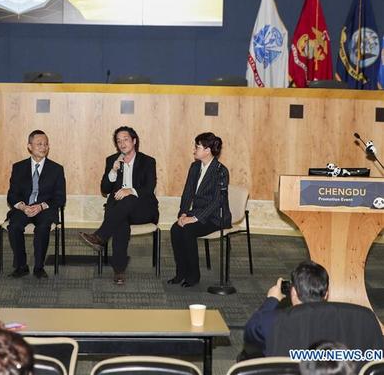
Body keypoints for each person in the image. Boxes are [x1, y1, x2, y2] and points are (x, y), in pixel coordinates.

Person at [79, 126, 159, 285]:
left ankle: (101, 236)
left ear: (134, 141)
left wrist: (130, 190)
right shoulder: (112, 160)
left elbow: (149, 188)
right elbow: (104, 189)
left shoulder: (148, 161)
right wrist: (113, 171)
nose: (122, 144)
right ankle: (119, 271)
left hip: (143, 210)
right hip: (119, 213)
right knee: (120, 223)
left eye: (126, 139)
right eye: (119, 141)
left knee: (127, 199)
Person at [168, 132, 230, 287]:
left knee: (188, 230)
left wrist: (193, 218)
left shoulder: (220, 171)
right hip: (197, 212)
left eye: (197, 147)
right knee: (175, 229)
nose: (194, 150)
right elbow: (187, 192)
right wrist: (183, 213)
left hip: (215, 217)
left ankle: (193, 276)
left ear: (207, 150)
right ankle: (180, 272)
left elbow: (217, 202)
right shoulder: (195, 166)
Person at [6, 130, 66, 278]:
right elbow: (12, 195)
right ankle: (21, 265)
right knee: (14, 226)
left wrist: (40, 206)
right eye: (39, 144)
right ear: (29, 146)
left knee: (43, 227)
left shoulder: (56, 169)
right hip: (24, 208)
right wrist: (23, 207)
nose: (43, 147)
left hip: (45, 208)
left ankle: (39, 267)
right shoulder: (19, 167)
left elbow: (60, 198)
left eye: (46, 144)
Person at [244, 260, 330, 357]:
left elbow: (250, 332)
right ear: (326, 294)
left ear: (293, 292)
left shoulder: (274, 321)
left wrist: (271, 300)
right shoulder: (343, 320)